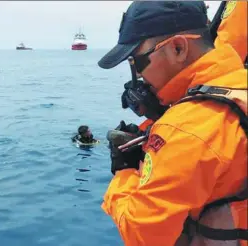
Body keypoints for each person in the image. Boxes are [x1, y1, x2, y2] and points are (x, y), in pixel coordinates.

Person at [97, 1, 247, 246]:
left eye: (138, 62)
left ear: (177, 48)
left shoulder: (184, 128)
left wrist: (123, 170)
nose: (139, 76)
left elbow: (142, 236)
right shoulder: (238, 87)